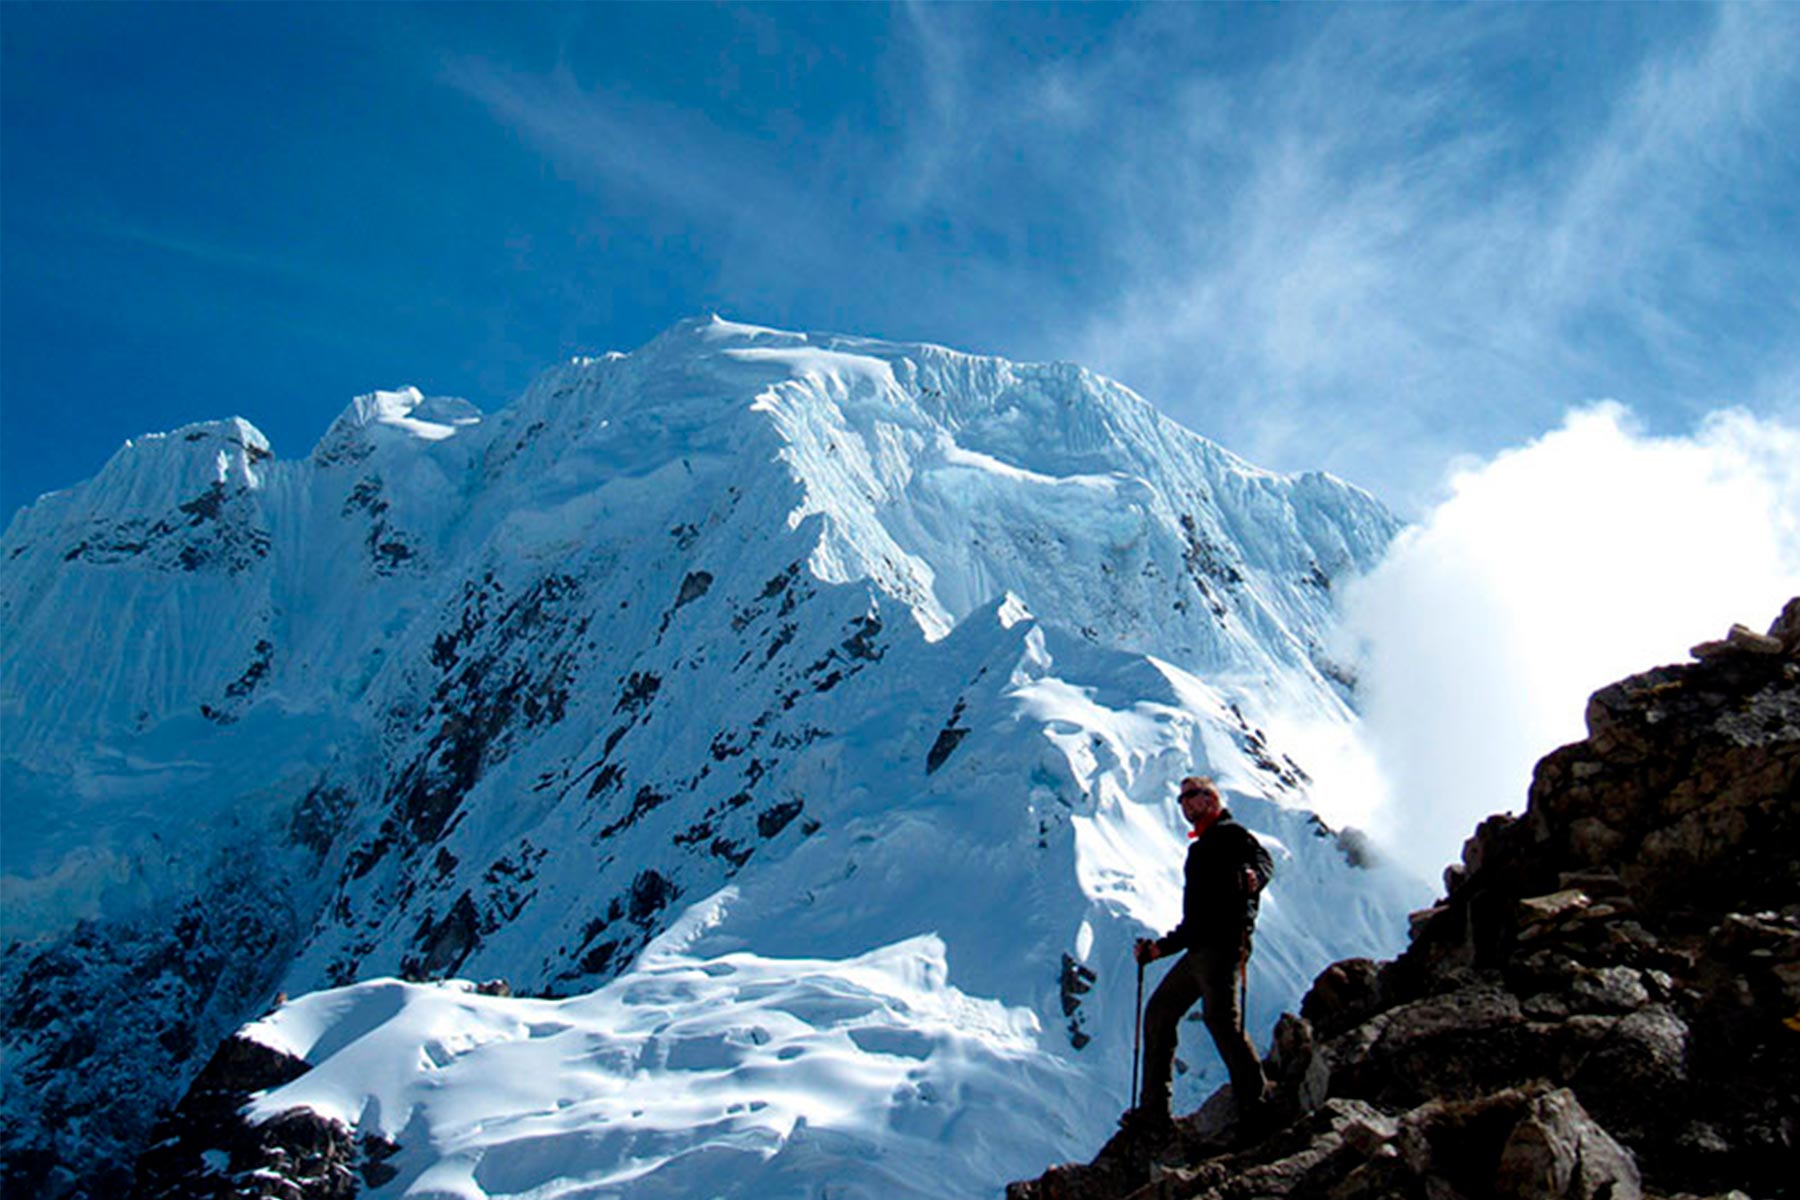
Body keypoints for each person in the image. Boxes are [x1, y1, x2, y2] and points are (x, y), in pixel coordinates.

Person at [1122, 775, 1274, 1136]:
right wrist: (1159, 949)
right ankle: (1154, 1112)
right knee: (1162, 1013)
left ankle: (1257, 1103)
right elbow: (1194, 922)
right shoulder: (1203, 846)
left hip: (1224, 944)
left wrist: (1254, 877)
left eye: (1191, 795)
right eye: (1181, 799)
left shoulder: (1230, 834)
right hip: (1202, 946)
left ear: (1211, 799)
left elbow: (1262, 861)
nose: (1185, 804)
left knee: (1218, 1019)